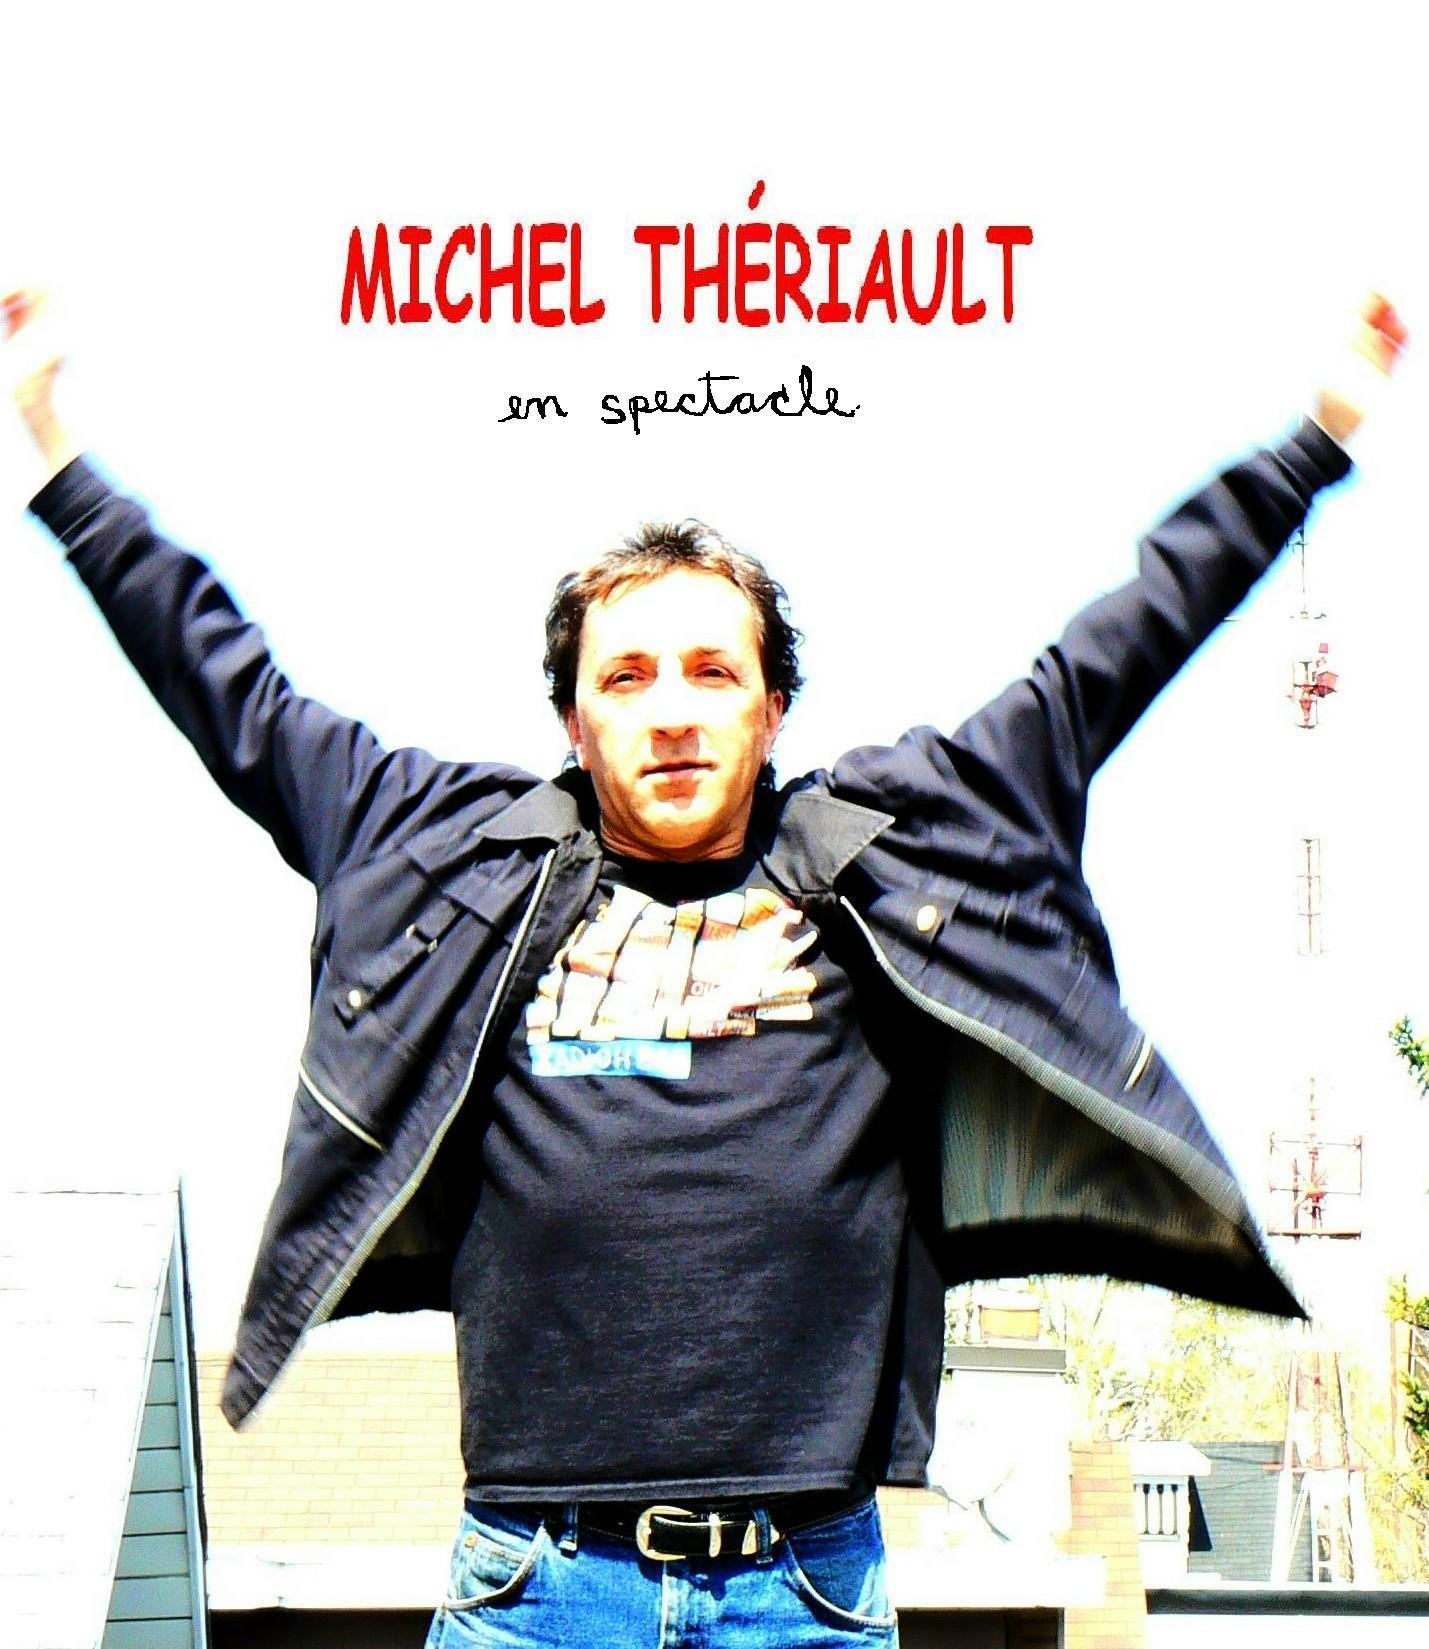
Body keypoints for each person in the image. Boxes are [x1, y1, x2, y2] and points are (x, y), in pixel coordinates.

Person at [4, 290, 1405, 1648]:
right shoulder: (451, 856)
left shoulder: (889, 845)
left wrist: (1312, 441)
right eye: (625, 677)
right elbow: (234, 692)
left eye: (710, 671)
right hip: (535, 1592)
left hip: (808, 1592)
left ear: (773, 704)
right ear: (570, 718)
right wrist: (59, 451)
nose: (670, 711)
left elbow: (1111, 653)